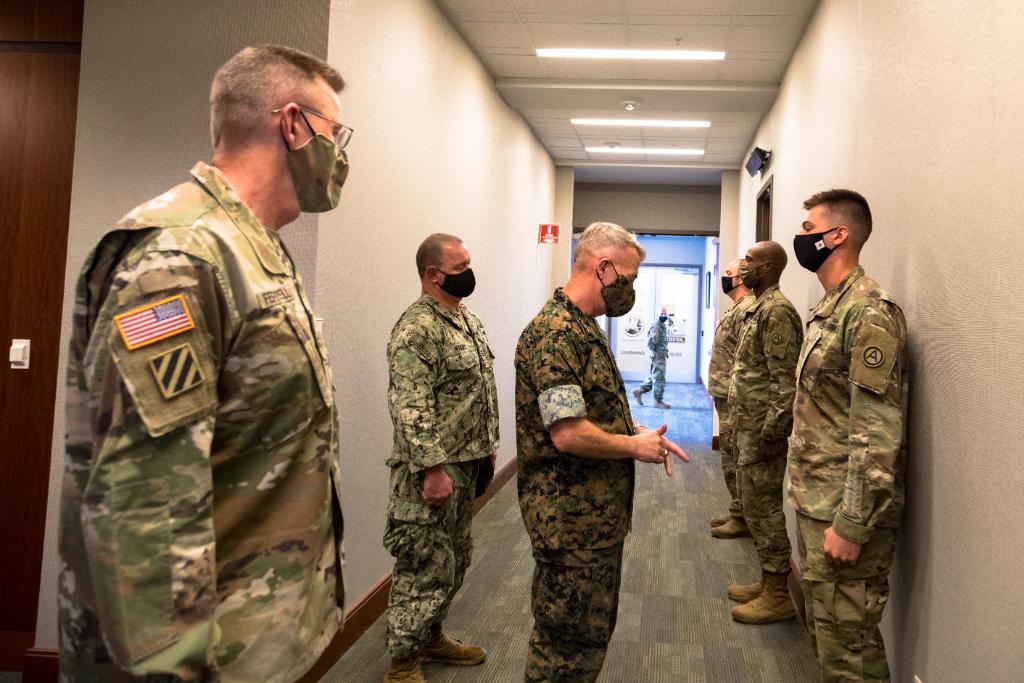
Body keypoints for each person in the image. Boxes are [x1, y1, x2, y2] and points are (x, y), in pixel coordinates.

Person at [58, 45, 350, 682]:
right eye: (336, 133)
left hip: (257, 634)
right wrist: (175, 666)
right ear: (294, 125)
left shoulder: (251, 247)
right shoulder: (179, 257)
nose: (342, 155)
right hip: (201, 658)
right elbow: (146, 497)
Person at [515, 221, 689, 682]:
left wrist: (632, 427)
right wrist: (634, 446)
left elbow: (586, 409)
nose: (631, 290)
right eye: (629, 279)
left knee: (587, 638)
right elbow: (568, 434)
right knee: (564, 647)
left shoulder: (583, 327)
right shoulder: (555, 333)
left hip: (593, 520)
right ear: (604, 268)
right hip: (569, 522)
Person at [789, 190, 908, 682]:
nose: (800, 236)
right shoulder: (829, 307)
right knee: (830, 643)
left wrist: (853, 524)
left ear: (836, 235)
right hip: (817, 502)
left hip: (842, 510)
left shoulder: (869, 312)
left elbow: (876, 433)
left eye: (808, 226)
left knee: (851, 656)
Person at [382, 233, 499, 683]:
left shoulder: (464, 319)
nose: (469, 272)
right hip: (431, 470)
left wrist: (487, 446)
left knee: (455, 559)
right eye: (460, 265)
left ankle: (430, 637)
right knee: (423, 564)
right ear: (433, 274)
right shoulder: (417, 328)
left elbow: (473, 392)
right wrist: (433, 468)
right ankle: (402, 663)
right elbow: (410, 405)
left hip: (465, 464)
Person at [725, 241, 803, 624]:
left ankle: (778, 595)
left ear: (768, 267)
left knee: (765, 508)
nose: (743, 266)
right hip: (747, 425)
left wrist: (773, 431)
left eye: (751, 260)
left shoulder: (777, 312)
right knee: (754, 505)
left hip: (762, 431)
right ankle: (767, 580)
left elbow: (784, 380)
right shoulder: (758, 308)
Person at [708, 259, 755, 539]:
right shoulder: (736, 309)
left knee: (733, 458)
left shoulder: (747, 310)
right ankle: (738, 510)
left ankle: (741, 517)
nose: (724, 279)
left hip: (734, 399)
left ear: (740, 278)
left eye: (728, 274)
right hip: (724, 395)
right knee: (730, 457)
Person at [632, 306, 672, 408]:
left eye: (665, 314)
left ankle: (639, 391)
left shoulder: (662, 325)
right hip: (657, 356)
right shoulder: (656, 326)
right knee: (659, 378)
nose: (663, 316)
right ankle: (657, 401)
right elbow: (651, 342)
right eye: (661, 314)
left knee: (655, 377)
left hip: (660, 355)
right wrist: (655, 355)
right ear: (657, 315)